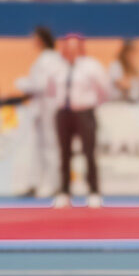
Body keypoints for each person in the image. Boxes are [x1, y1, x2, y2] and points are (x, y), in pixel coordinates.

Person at [46, 34, 111, 208]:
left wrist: (91, 104)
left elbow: (104, 89)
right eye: (68, 46)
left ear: (81, 48)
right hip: (63, 113)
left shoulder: (91, 66)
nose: (71, 50)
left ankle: (94, 192)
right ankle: (64, 192)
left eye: (75, 47)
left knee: (89, 152)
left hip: (84, 112)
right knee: (64, 154)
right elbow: (50, 90)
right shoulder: (56, 67)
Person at [14, 26, 65, 198]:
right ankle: (39, 182)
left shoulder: (48, 59)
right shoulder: (49, 58)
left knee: (50, 145)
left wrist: (22, 83)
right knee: (41, 147)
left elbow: (41, 84)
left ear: (41, 39)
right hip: (42, 107)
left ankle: (53, 184)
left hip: (48, 107)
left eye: (34, 38)